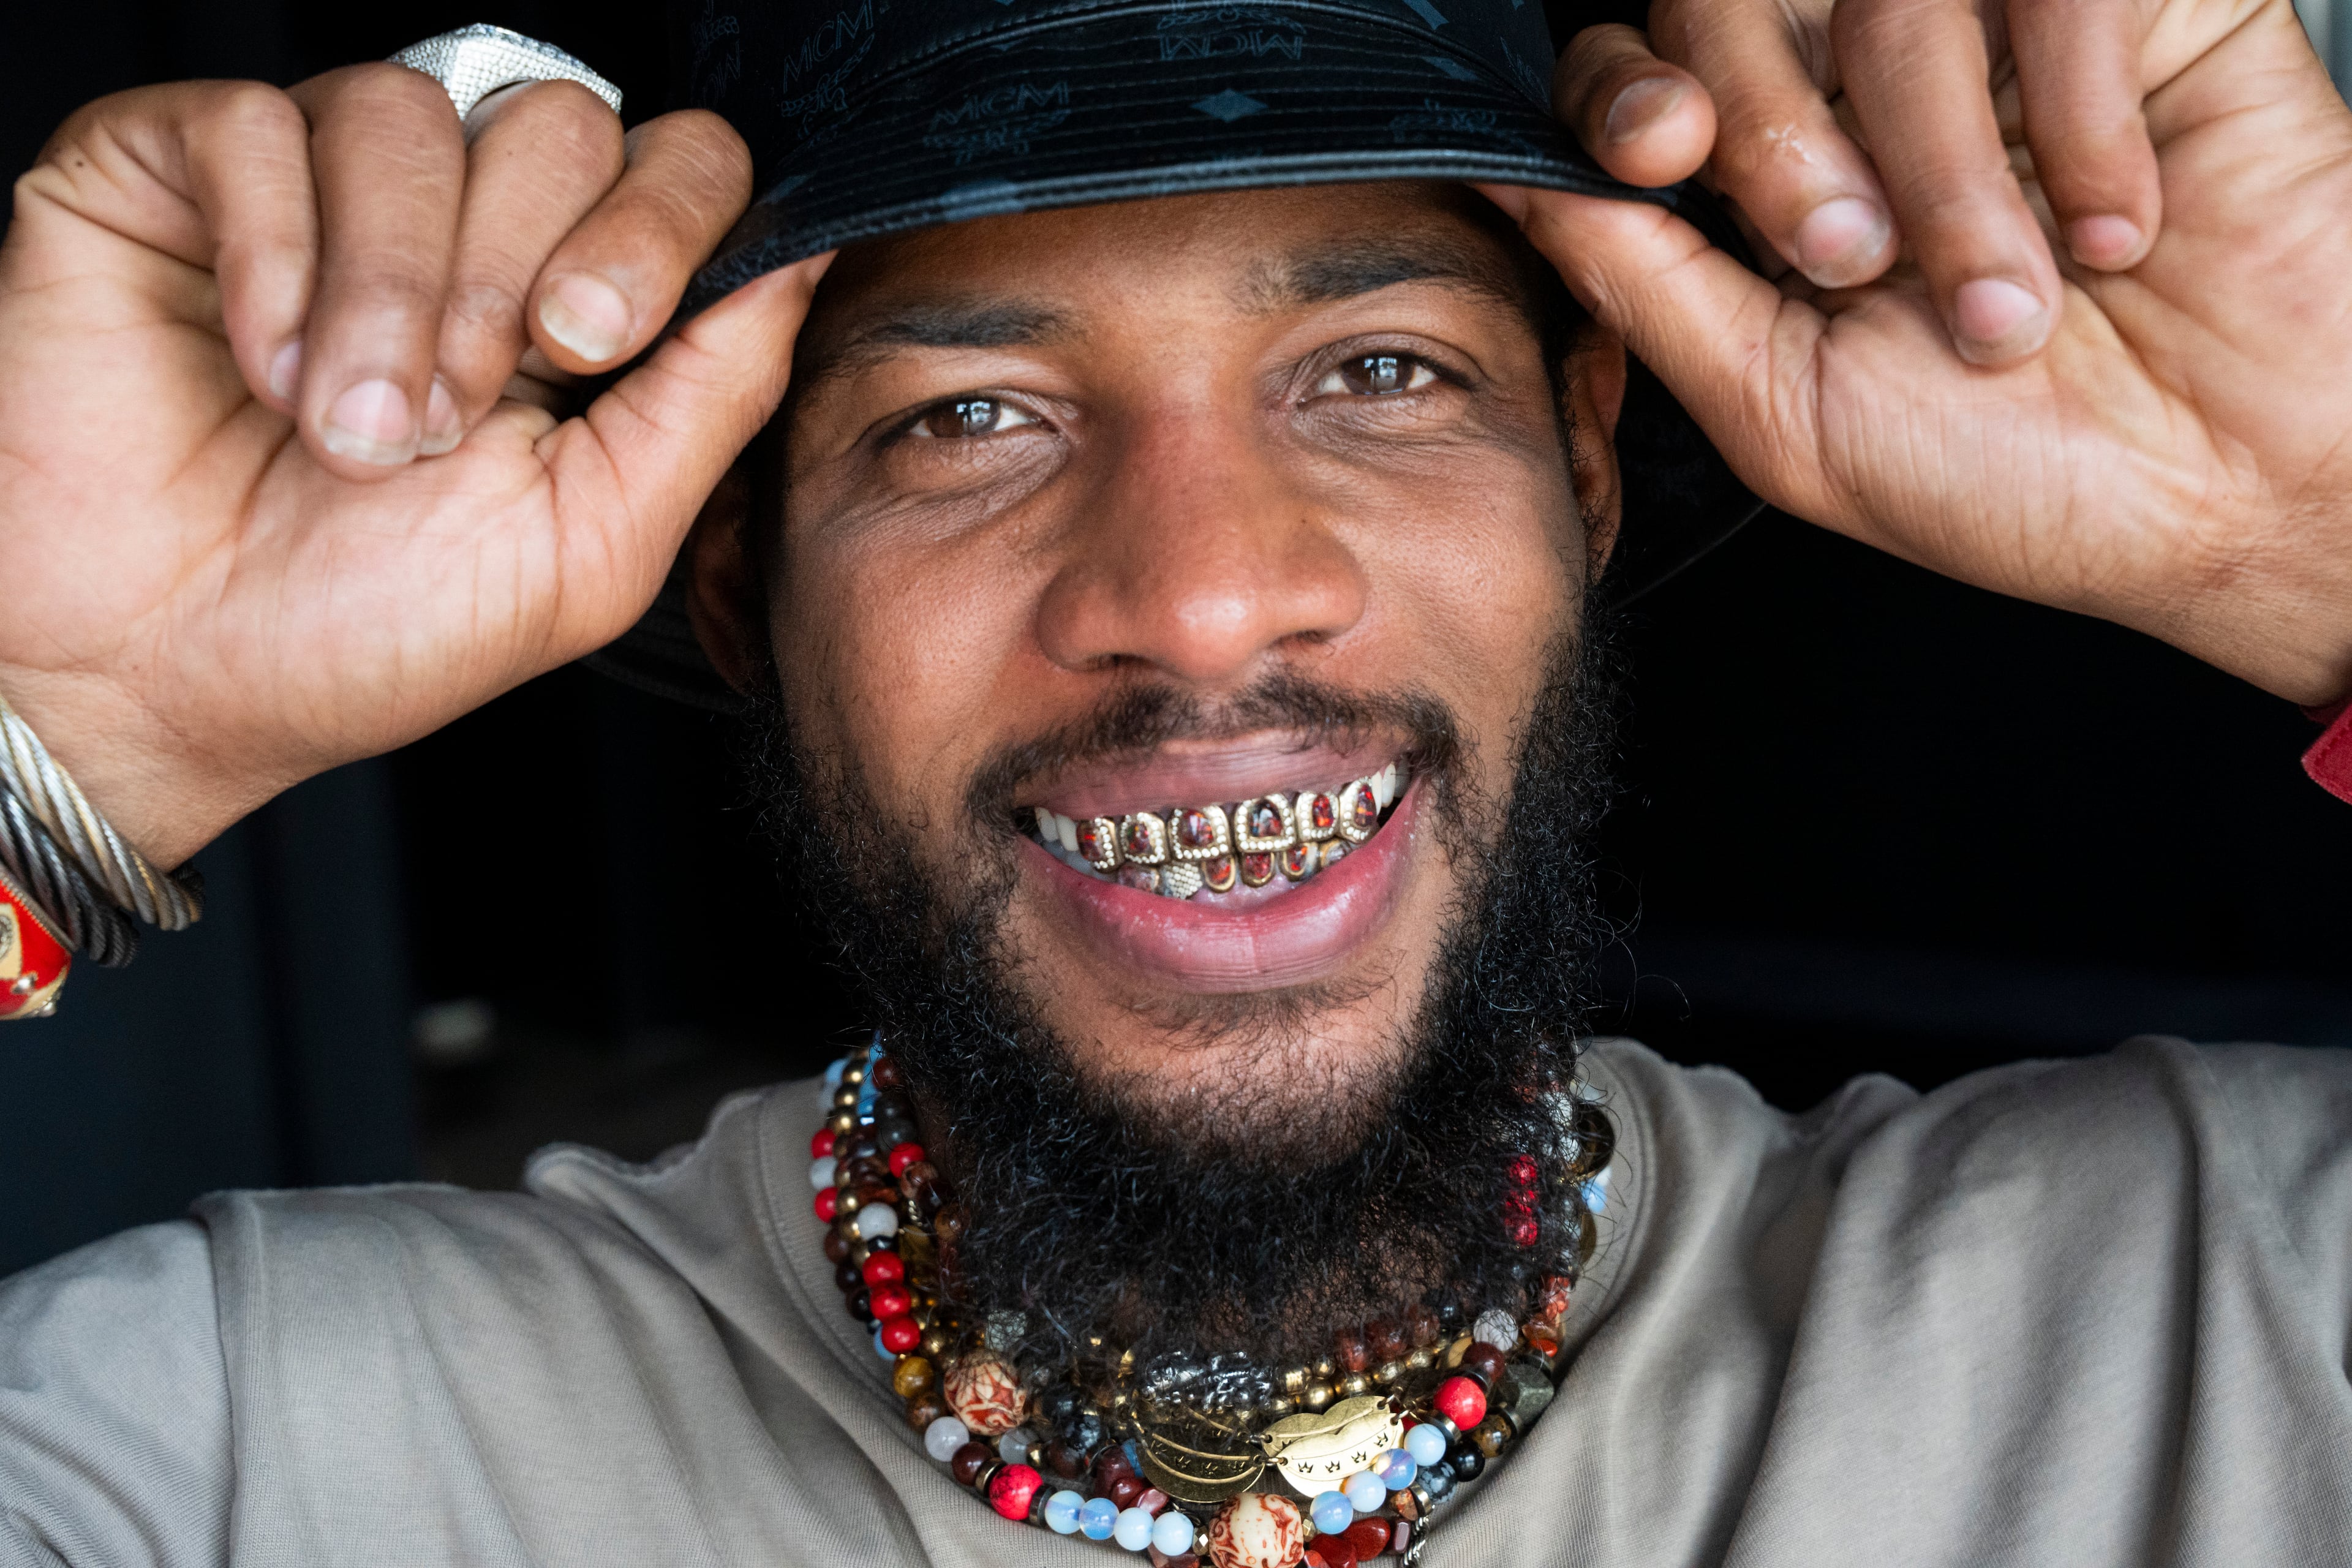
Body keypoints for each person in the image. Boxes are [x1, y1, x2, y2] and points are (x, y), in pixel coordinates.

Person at [2, 0, 2348, 1563]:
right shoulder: (240, 1454)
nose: (1209, 599)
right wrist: (71, 729)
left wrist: (2316, 527)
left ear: (1583, 473)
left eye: (1380, 371)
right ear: (737, 585)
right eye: (968, 420)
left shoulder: (2232, 1311)